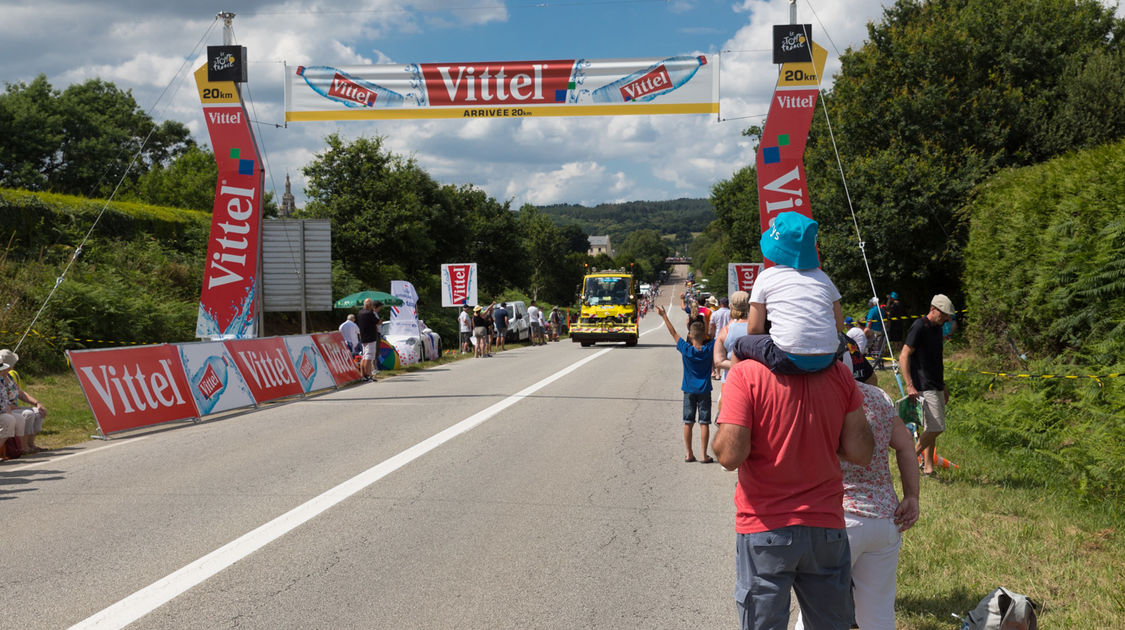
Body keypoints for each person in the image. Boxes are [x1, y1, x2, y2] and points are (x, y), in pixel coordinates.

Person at [713, 346, 874, 630]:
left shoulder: (746, 373)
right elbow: (862, 451)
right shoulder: (839, 374)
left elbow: (728, 455)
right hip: (826, 527)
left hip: (766, 526)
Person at [794, 370, 920, 630]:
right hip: (884, 520)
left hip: (836, 518)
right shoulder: (879, 396)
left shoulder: (818, 396)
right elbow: (906, 444)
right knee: (878, 614)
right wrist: (912, 496)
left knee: (816, 613)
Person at [741, 211, 846, 374]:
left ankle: (731, 394)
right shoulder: (823, 277)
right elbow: (839, 324)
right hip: (828, 357)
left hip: (786, 357)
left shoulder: (766, 276)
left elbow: (753, 329)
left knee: (739, 345)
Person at [900, 294, 956, 476]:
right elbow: (904, 355)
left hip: (937, 385)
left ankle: (928, 468)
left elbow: (935, 360)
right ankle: (909, 457)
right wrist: (909, 385)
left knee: (930, 428)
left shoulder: (937, 329)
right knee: (936, 427)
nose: (946, 319)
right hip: (923, 385)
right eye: (944, 315)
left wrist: (943, 386)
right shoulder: (919, 326)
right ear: (933, 309)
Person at [655, 304, 715, 464]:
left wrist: (664, 316)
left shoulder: (686, 349)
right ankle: (704, 455)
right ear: (704, 335)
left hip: (688, 390)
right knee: (704, 423)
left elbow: (673, 332)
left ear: (690, 335)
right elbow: (719, 336)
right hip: (704, 390)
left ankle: (689, 454)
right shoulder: (710, 348)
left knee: (688, 422)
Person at [0, 349, 48, 457]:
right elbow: (4, 402)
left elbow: (21, 394)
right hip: (8, 409)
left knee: (38, 412)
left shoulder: (9, 377)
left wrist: (37, 403)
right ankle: (23, 447)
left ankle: (31, 444)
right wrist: (13, 408)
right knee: (28, 414)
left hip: (12, 408)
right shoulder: (1, 379)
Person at [355, 299, 381, 381]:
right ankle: (368, 374)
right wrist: (373, 312)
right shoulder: (370, 313)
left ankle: (363, 374)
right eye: (372, 305)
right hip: (371, 337)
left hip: (363, 337)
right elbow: (378, 322)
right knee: (369, 356)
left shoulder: (360, 313)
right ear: (369, 305)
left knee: (364, 356)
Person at [865, 297, 887, 369]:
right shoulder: (880, 310)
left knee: (871, 348)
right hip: (879, 331)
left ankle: (872, 364)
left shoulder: (872, 310)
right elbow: (883, 320)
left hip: (873, 331)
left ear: (873, 303)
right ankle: (880, 364)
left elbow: (869, 320)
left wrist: (867, 329)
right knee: (878, 348)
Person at [885, 291, 906, 356]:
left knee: (895, 340)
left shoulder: (893, 305)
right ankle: (901, 353)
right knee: (899, 339)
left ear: (892, 298)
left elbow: (888, 309)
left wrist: (888, 314)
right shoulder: (901, 304)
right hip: (900, 323)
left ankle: (897, 353)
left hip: (894, 324)